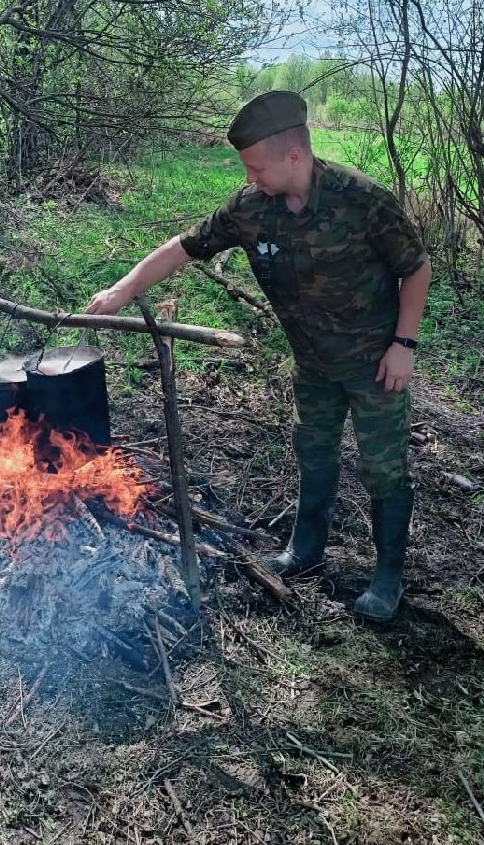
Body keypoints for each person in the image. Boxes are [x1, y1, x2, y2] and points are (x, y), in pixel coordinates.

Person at [86, 90, 432, 620]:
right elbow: (184, 247)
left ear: (294, 154)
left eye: (256, 167)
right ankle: (306, 549)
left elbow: (416, 267)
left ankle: (387, 578)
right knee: (313, 452)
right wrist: (122, 289)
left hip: (376, 363)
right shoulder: (250, 209)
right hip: (312, 364)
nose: (250, 178)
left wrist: (404, 345)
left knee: (383, 468)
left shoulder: (361, 199)